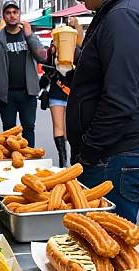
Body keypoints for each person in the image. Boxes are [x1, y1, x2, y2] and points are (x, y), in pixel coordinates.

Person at [66, 0, 139, 223]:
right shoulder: (122, 11)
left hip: (114, 153)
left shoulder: (125, 15)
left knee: (107, 244)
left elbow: (119, 101)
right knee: (103, 241)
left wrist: (88, 153)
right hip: (115, 150)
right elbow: (112, 79)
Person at [0, 0, 46, 147]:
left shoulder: (29, 36)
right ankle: (11, 162)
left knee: (29, 128)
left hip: (28, 92)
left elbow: (42, 56)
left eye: (15, 12)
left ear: (19, 14)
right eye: (8, 13)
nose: (12, 16)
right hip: (7, 93)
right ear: (3, 16)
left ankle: (30, 158)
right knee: (9, 131)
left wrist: (29, 36)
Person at [43, 17, 84, 167]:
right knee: (68, 128)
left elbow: (45, 67)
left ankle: (64, 160)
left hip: (59, 91)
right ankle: (68, 160)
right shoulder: (81, 50)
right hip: (72, 93)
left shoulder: (56, 47)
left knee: (60, 127)